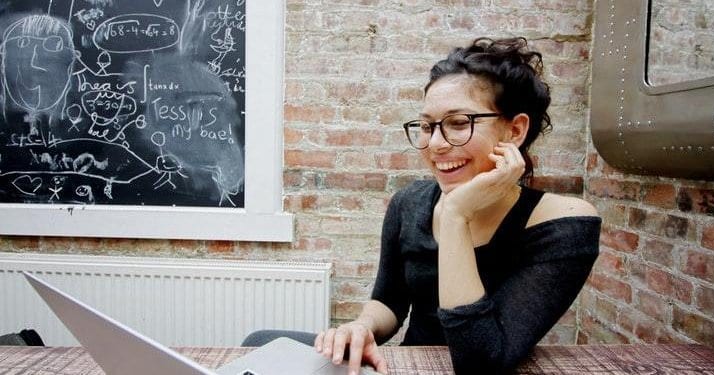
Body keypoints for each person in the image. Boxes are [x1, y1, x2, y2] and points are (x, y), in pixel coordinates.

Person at [243, 37, 601, 375]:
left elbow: (479, 361)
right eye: (427, 126)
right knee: (261, 345)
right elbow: (389, 303)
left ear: (515, 131)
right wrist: (361, 327)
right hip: (409, 366)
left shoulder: (564, 224)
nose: (436, 145)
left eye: (458, 124)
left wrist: (457, 215)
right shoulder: (410, 203)